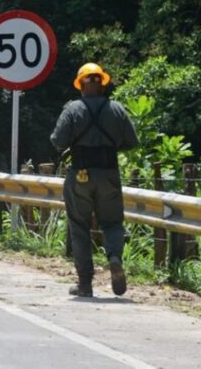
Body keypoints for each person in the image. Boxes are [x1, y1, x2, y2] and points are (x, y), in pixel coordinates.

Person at [50, 63, 139, 298]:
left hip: (80, 173)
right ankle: (115, 258)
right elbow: (132, 142)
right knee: (112, 222)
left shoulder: (72, 109)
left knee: (79, 226)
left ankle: (85, 284)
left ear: (80, 86)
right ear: (103, 84)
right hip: (108, 174)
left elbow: (58, 140)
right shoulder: (117, 109)